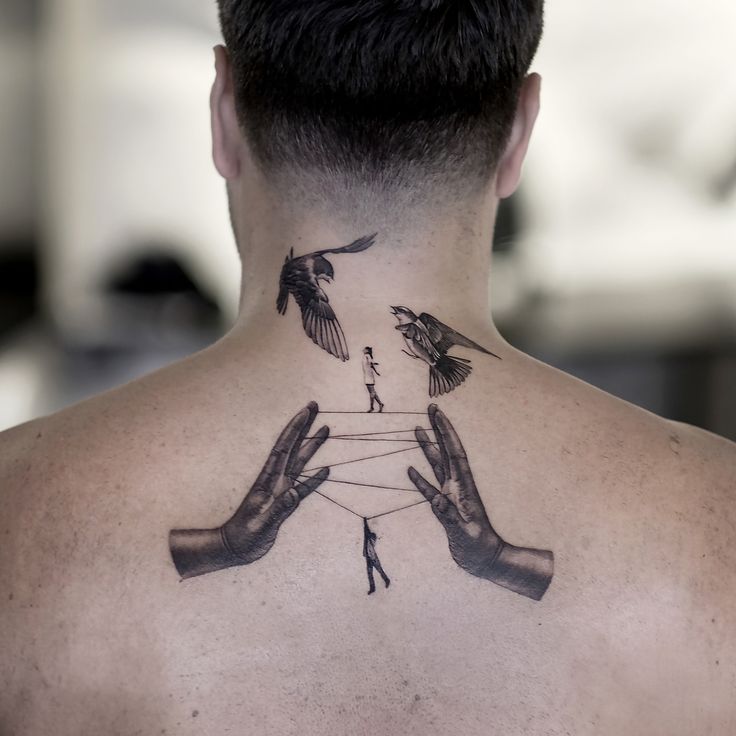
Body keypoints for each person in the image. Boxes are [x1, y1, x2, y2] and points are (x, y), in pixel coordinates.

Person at [1, 2, 734, 734]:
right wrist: (500, 560)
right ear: (520, 132)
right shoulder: (713, 530)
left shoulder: (20, 519)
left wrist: (220, 548)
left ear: (222, 113)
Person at [362, 346, 385, 412]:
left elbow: (371, 364)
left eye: (364, 349)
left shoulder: (367, 355)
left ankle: (372, 407)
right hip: (367, 375)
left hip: (369, 376)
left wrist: (375, 365)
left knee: (372, 392)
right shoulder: (366, 356)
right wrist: (376, 372)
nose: (363, 350)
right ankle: (380, 404)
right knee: (372, 392)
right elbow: (371, 365)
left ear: (367, 350)